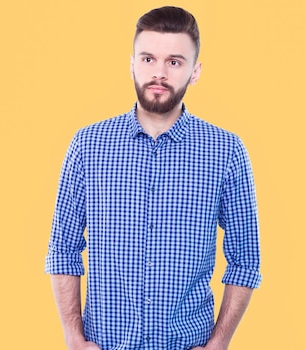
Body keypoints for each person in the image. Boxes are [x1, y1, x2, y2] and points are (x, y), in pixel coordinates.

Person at [44, 6, 261, 350]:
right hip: (106, 344)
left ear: (195, 71)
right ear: (132, 63)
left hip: (187, 342)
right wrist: (73, 337)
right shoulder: (88, 145)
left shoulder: (226, 151)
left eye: (174, 62)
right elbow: (63, 249)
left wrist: (219, 343)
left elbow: (246, 261)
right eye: (148, 59)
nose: (158, 73)